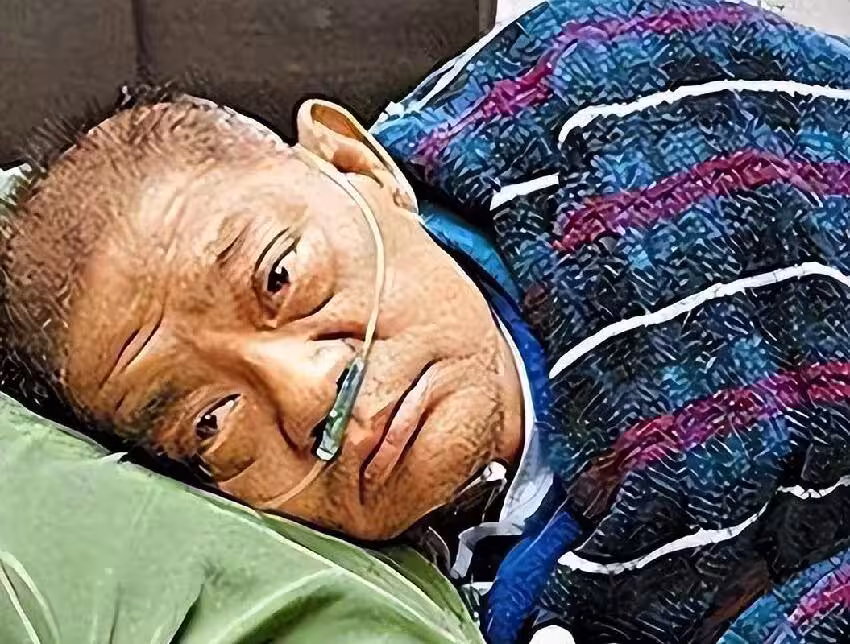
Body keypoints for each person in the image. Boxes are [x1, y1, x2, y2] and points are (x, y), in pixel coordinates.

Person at [4, 0, 850, 641]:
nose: (309, 394)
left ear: (357, 166)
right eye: (211, 422)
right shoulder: (396, 600)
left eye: (280, 277)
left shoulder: (626, 93)